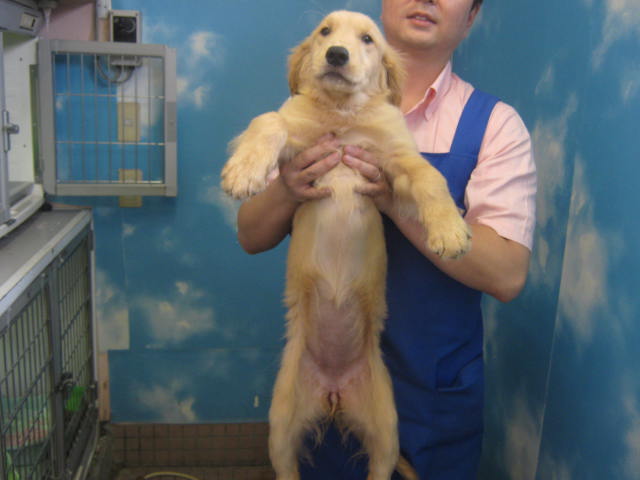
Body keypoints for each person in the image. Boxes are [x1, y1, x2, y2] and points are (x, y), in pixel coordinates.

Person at [236, 0, 537, 478]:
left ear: (472, 16)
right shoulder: (306, 111)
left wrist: (394, 201)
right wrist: (286, 188)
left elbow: (507, 275)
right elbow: (250, 236)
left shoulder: (496, 125)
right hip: (315, 361)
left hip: (433, 399)